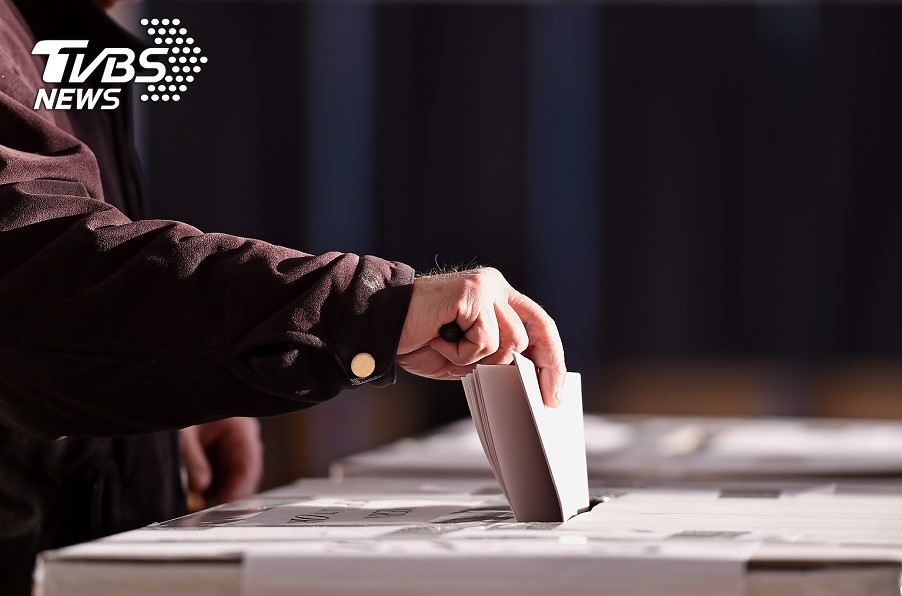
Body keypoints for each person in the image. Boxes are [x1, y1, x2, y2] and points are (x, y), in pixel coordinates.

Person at [0, 0, 566, 593]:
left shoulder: (61, 31)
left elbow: (64, 336)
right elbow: (40, 286)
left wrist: (166, 399)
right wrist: (370, 310)